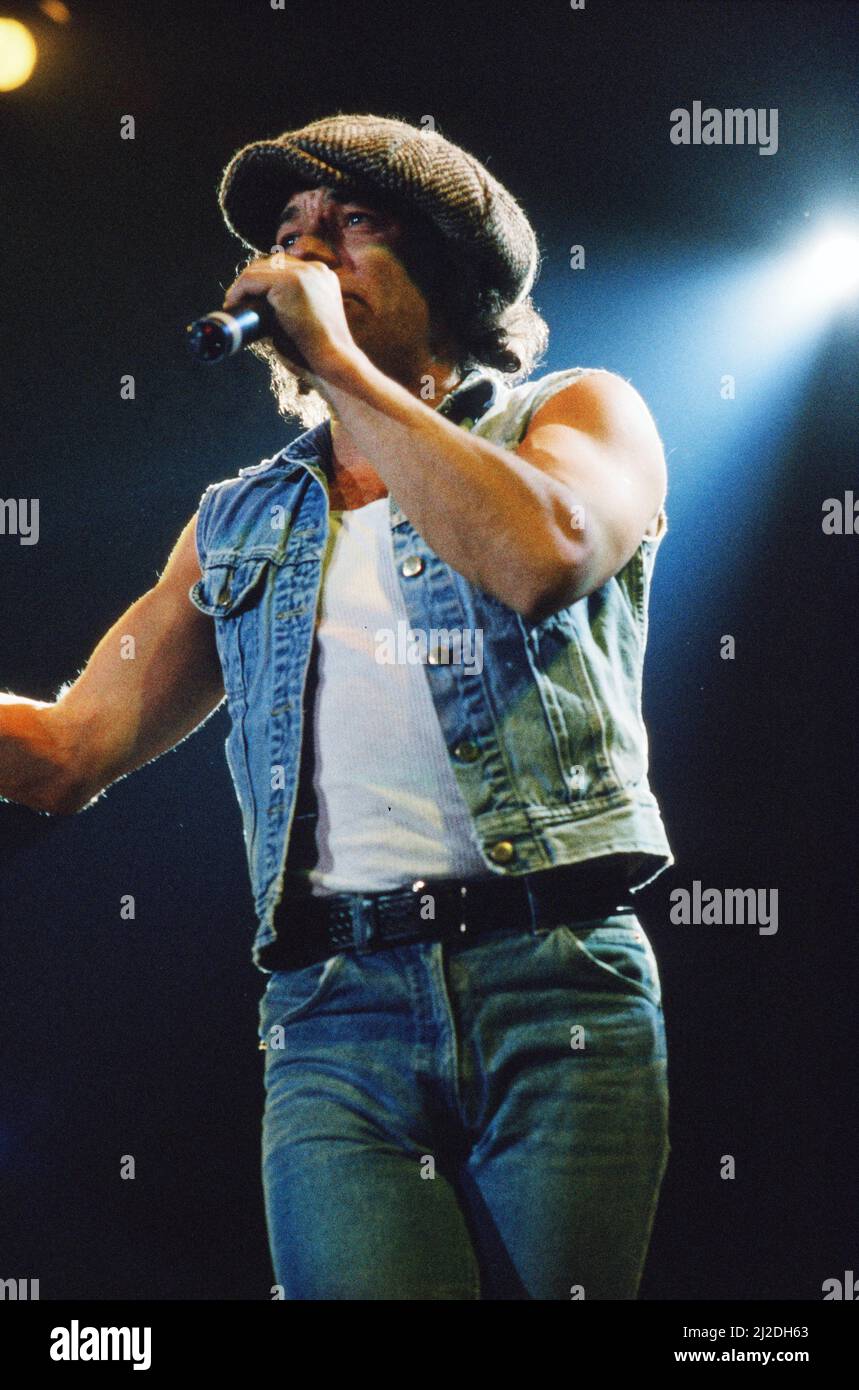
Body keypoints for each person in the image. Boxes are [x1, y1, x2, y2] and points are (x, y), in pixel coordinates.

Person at [0, 112, 674, 1300]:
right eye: (286, 235)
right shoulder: (238, 518)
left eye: (351, 226)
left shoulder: (572, 417)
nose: (304, 256)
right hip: (334, 1013)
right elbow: (69, 749)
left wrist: (347, 373)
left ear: (456, 274)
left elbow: (540, 555)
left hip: (553, 981)